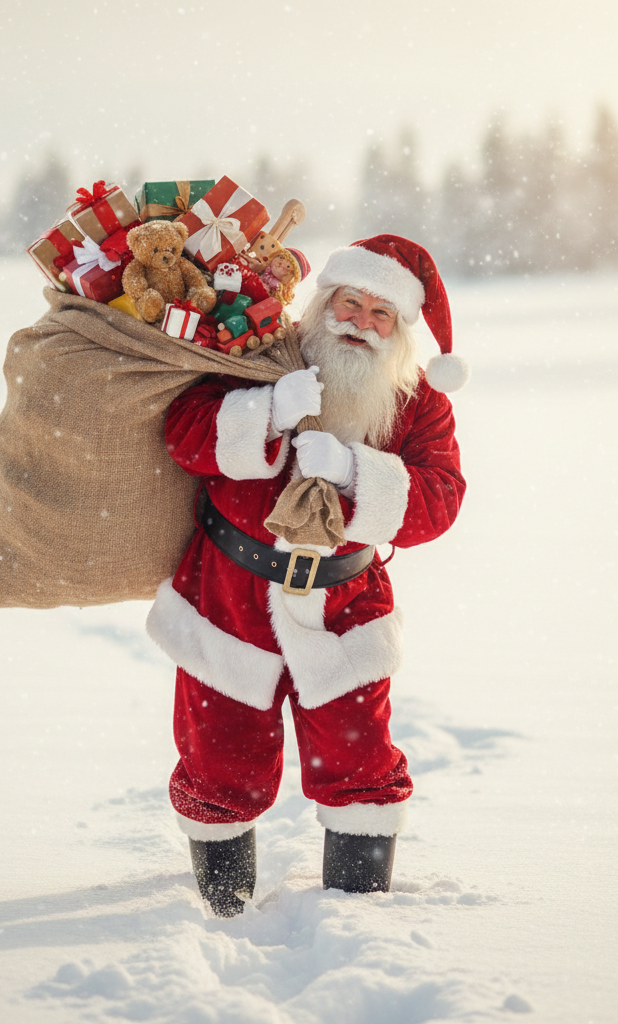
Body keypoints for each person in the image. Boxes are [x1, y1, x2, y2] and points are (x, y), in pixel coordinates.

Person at [145, 234, 469, 916]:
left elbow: (440, 499)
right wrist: (266, 412)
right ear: (323, 304)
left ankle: (357, 918)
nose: (360, 322)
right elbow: (183, 431)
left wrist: (356, 472)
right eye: (349, 303)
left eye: (381, 314)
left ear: (402, 329)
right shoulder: (259, 357)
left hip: (345, 602)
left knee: (359, 761)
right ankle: (220, 905)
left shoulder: (417, 404)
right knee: (219, 759)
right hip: (227, 593)